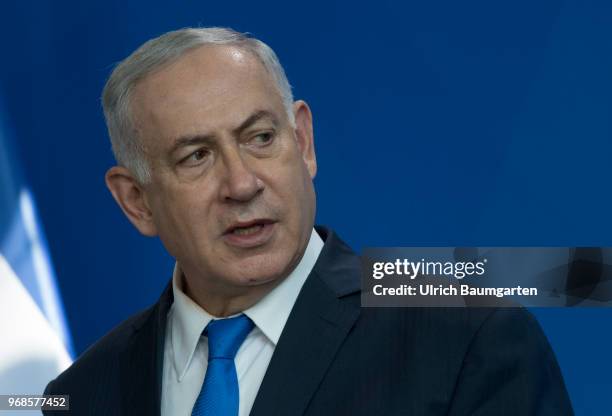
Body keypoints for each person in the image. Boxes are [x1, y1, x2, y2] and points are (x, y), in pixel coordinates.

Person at [44, 27, 573, 415]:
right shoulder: (82, 395)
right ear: (136, 200)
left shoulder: (466, 332)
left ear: (303, 142)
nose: (242, 183)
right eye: (196, 157)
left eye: (260, 138)